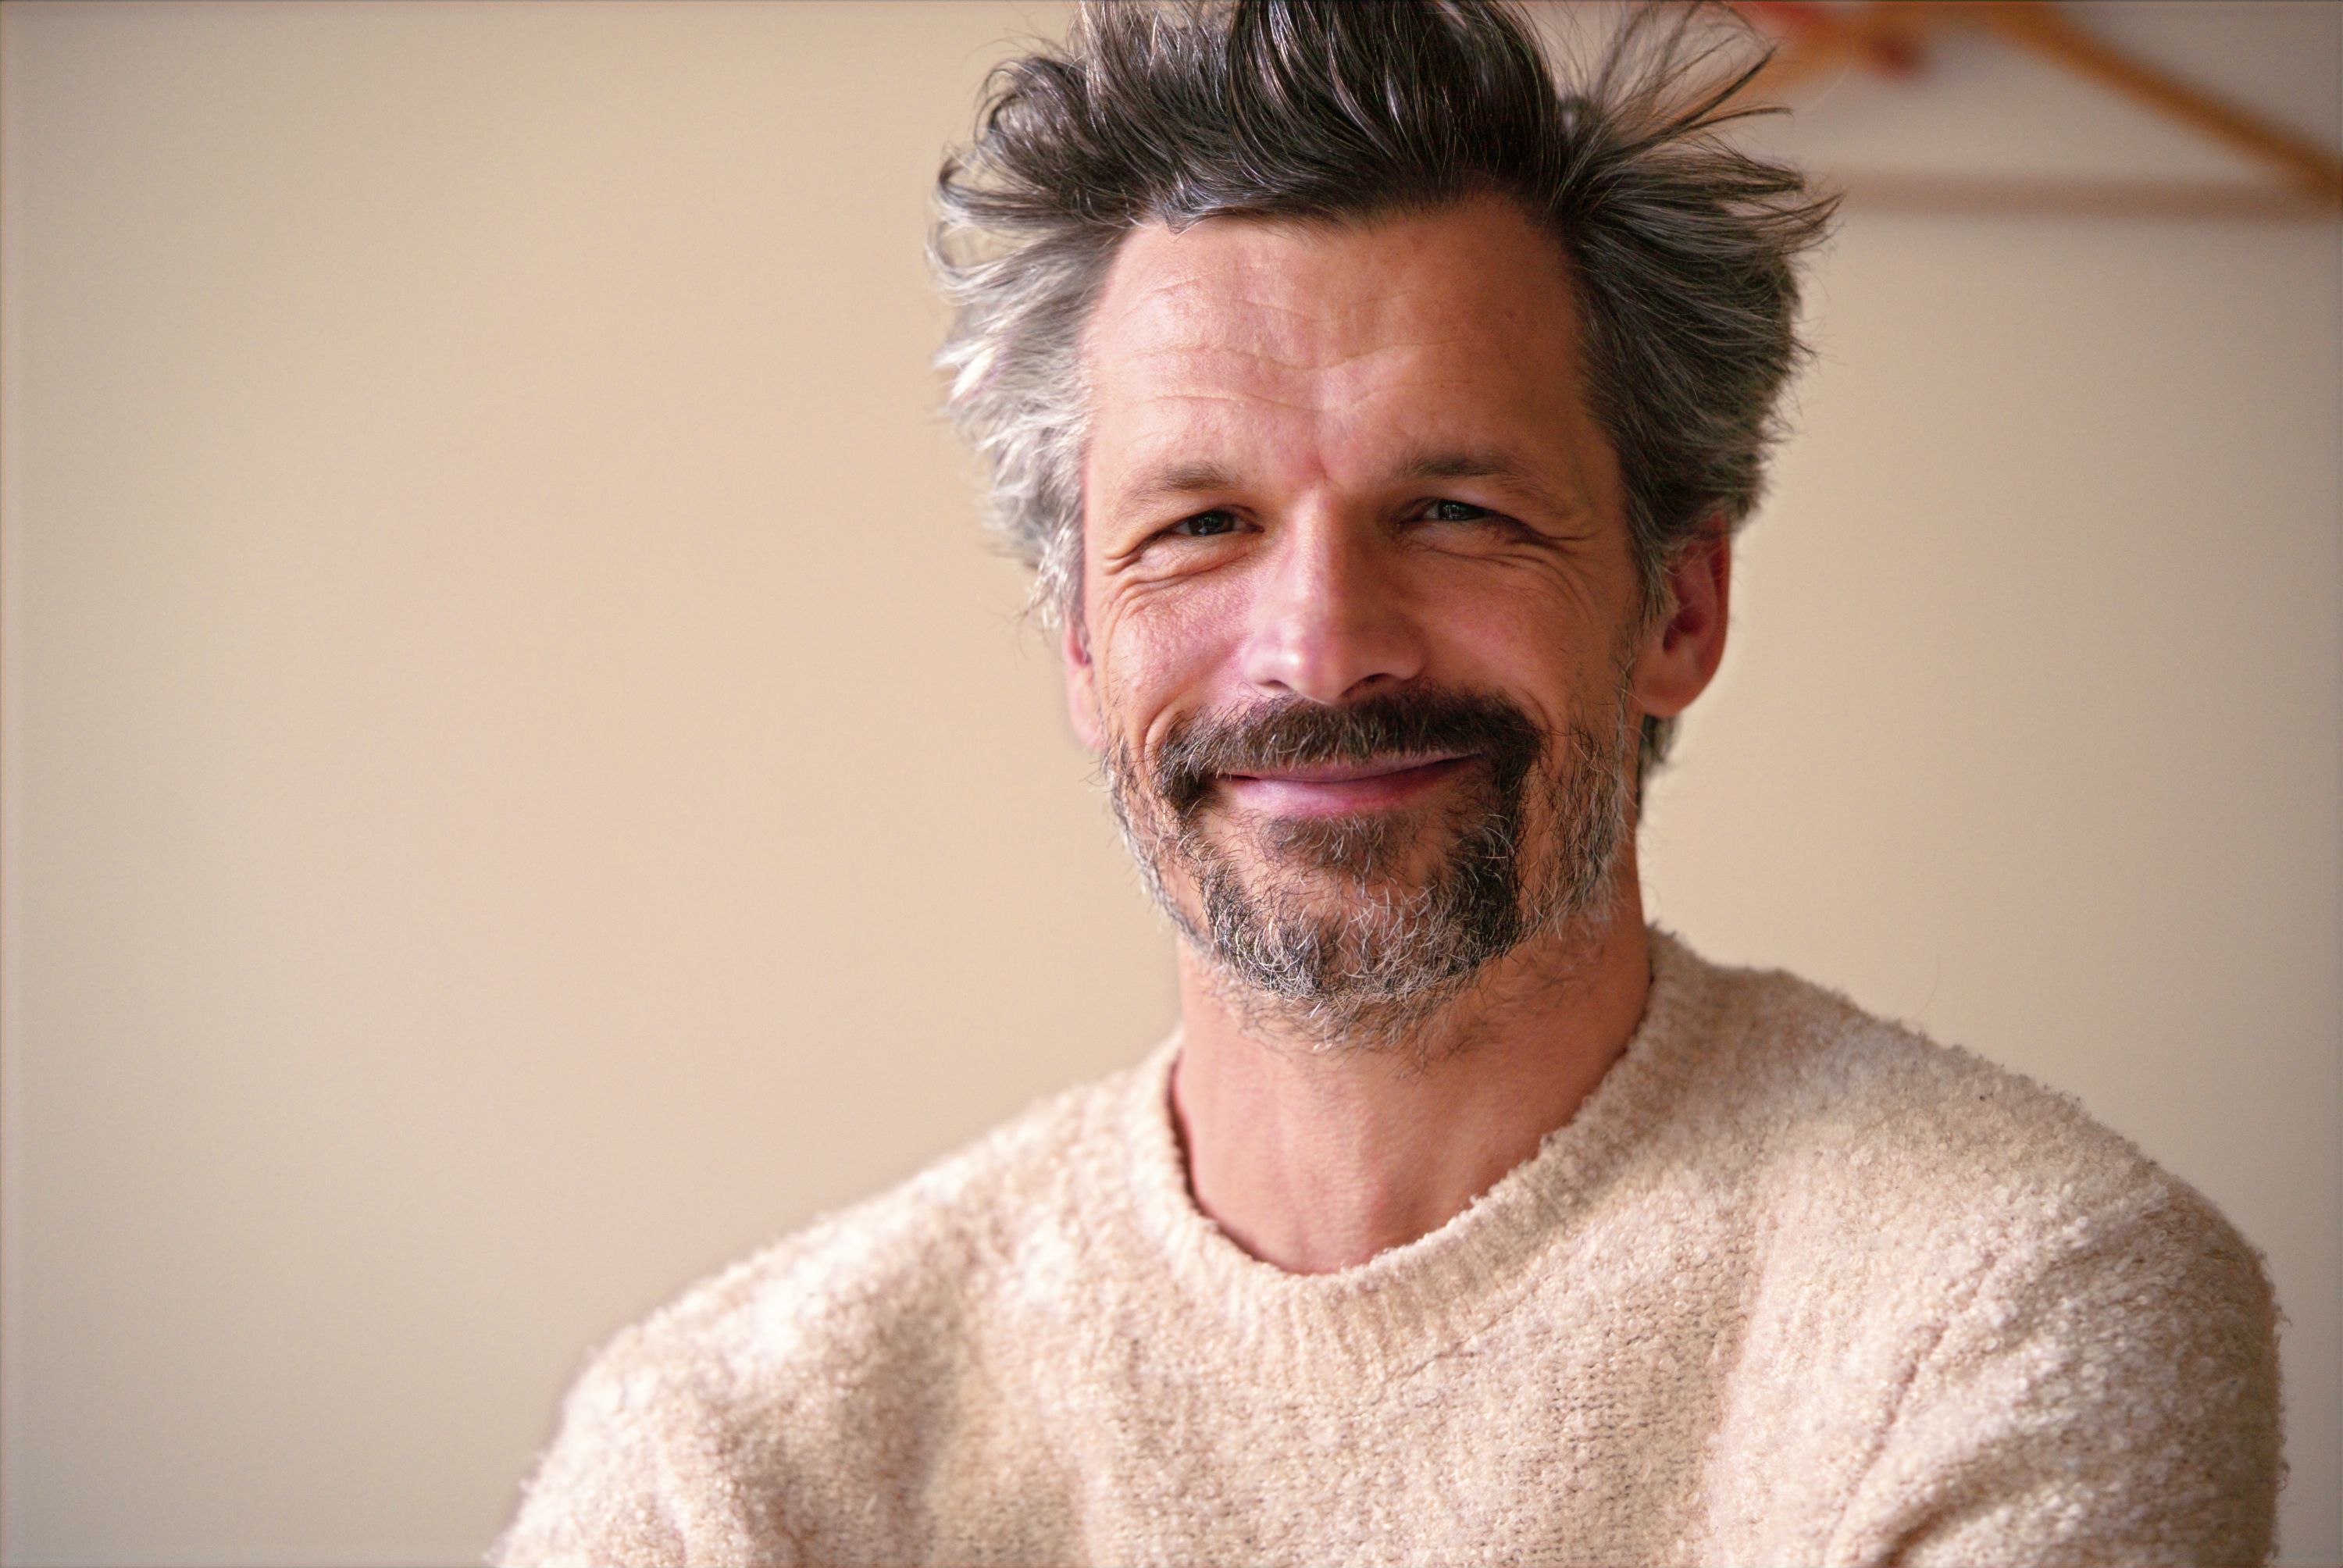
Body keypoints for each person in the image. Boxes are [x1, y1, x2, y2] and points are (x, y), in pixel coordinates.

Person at [495, 3, 2281, 1563]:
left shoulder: (2009, 1304)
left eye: (1453, 510)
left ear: (1677, 607)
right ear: (1081, 647)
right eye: (1203, 524)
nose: (1322, 648)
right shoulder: (735, 1452)